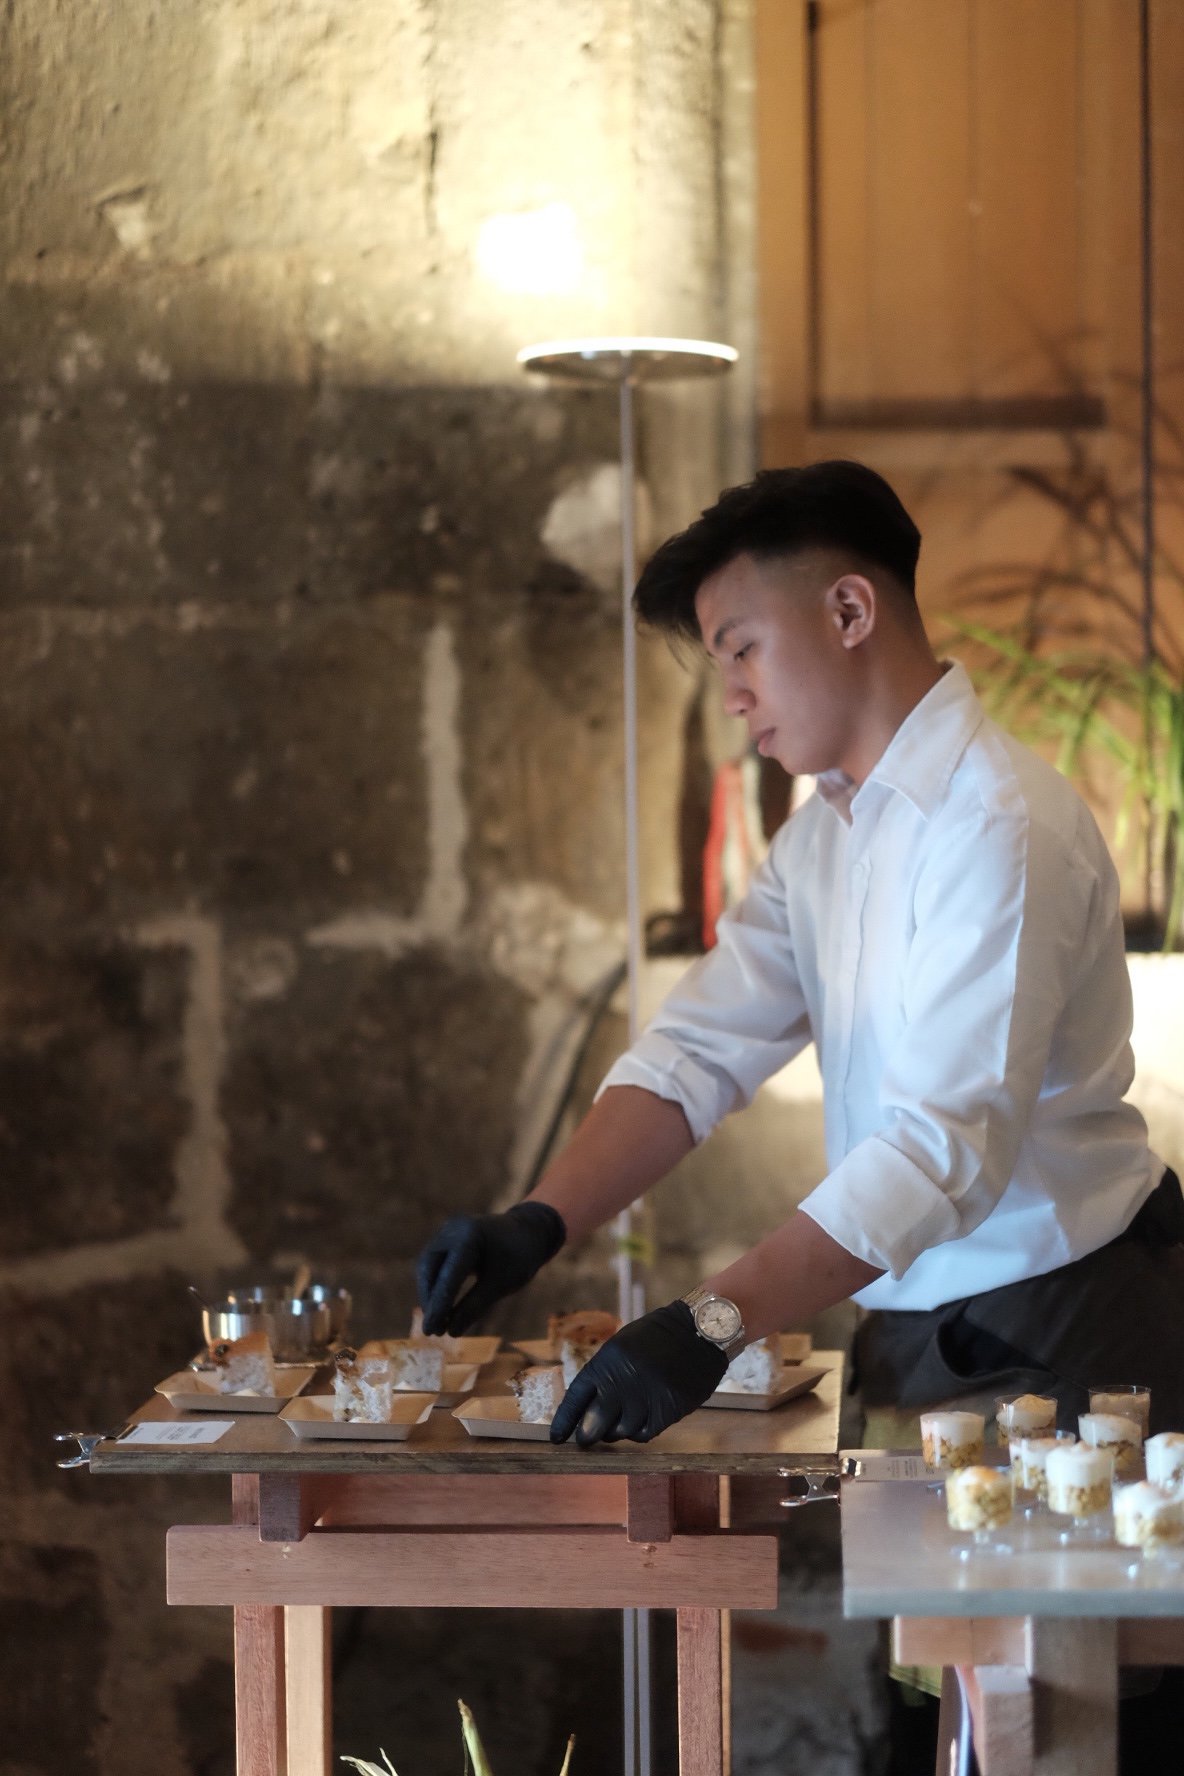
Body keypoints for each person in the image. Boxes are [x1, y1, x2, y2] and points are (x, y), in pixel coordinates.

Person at [417, 460, 1184, 1452]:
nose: (731, 697)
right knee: (918, 1616)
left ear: (849, 611)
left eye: (741, 651)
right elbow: (697, 1050)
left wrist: (712, 1322)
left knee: (1032, 1617)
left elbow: (936, 1150)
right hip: (914, 1327)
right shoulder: (822, 833)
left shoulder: (996, 825)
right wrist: (538, 1221)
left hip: (1065, 1333)